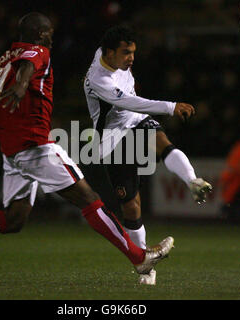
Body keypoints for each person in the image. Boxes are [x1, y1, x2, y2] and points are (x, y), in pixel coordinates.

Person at [0, 12, 174, 280]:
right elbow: (29, 65)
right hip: (35, 145)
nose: (51, 36)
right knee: (89, 199)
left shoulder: (4, 59)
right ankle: (139, 257)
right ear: (40, 35)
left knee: (13, 220)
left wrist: (20, 90)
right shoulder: (39, 51)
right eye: (48, 32)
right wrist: (22, 85)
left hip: (11, 150)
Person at [83, 25, 212, 285]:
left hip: (136, 119)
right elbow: (129, 101)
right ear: (109, 54)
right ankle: (145, 265)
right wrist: (171, 107)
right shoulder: (99, 79)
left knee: (161, 141)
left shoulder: (110, 54)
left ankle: (192, 181)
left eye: (133, 52)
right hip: (113, 137)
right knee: (131, 206)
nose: (131, 58)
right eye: (126, 53)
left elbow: (133, 106)